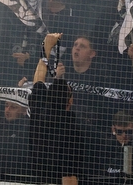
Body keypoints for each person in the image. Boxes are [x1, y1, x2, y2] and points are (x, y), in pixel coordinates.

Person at [29, 33, 85, 185]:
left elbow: (38, 78)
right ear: (69, 102)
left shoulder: (38, 108)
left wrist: (47, 46)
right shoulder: (70, 129)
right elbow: (69, 176)